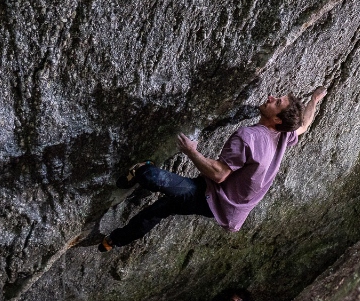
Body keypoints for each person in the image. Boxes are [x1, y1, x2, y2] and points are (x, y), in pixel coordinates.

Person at [99, 87, 327, 251]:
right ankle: (114, 241)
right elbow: (304, 125)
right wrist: (314, 100)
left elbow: (219, 174)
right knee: (162, 208)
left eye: (277, 102)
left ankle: (138, 172)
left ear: (277, 119)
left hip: (211, 196)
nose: (271, 97)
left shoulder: (249, 137)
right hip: (229, 208)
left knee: (148, 174)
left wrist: (191, 152)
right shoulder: (285, 133)